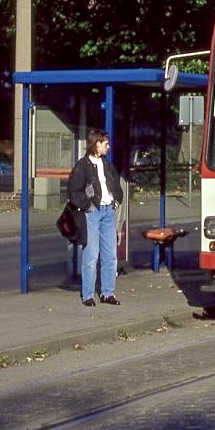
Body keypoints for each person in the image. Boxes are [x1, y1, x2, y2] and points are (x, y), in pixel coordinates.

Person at [68, 128, 124, 307]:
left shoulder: (106, 163)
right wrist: (88, 206)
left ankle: (108, 293)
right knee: (91, 255)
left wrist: (116, 200)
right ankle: (88, 295)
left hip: (108, 211)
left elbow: (115, 183)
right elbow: (73, 191)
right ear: (97, 144)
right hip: (93, 213)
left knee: (110, 255)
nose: (109, 146)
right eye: (105, 143)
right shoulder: (82, 166)